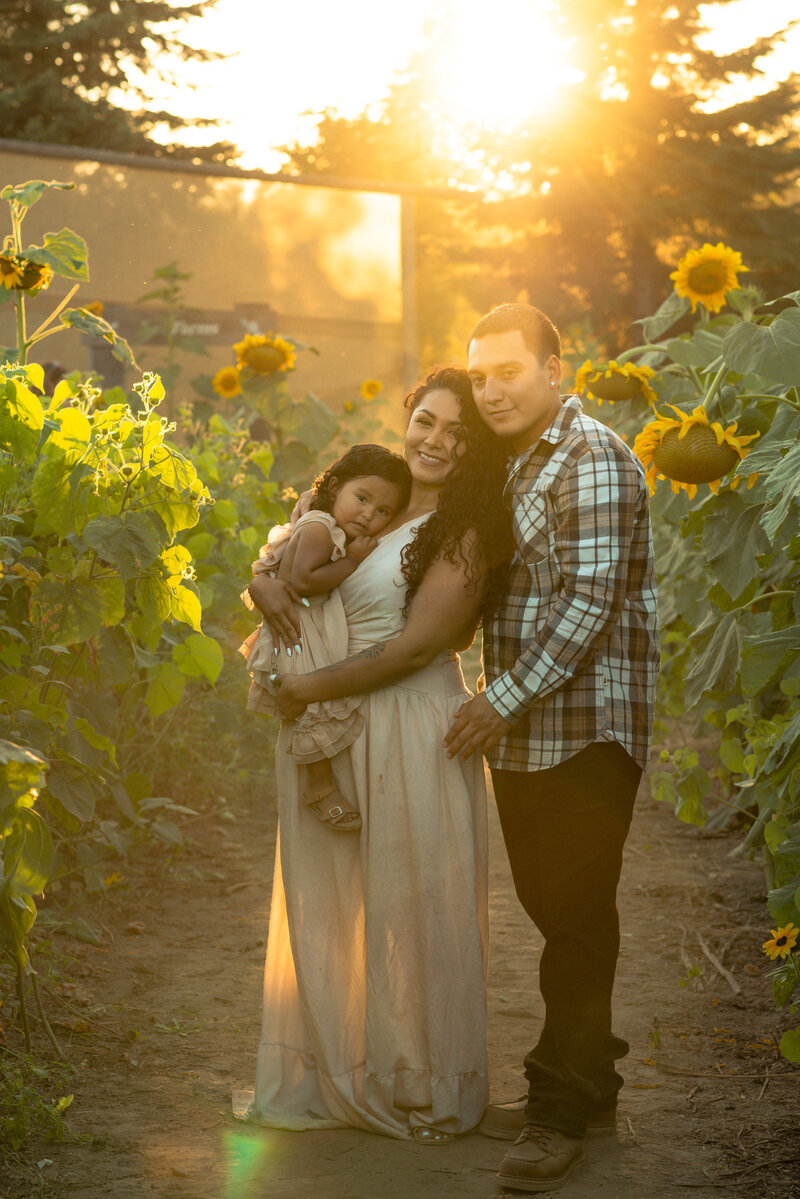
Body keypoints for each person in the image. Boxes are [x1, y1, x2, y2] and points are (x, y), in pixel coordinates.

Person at [237, 366, 513, 1142]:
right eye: (427, 420)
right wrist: (263, 584)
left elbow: (420, 643)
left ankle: (418, 1078)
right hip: (333, 718)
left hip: (413, 723)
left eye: (459, 433)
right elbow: (298, 575)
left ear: (476, 449)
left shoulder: (463, 530)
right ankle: (340, 1068)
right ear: (407, 415)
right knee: (333, 900)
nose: (437, 440)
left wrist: (305, 689)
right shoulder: (368, 507)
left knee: (413, 905)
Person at [443, 303, 660, 1192]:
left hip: (589, 724)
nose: (492, 388)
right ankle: (592, 1078)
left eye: (508, 370)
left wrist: (497, 698)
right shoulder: (510, 462)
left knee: (572, 916)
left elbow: (587, 601)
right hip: (533, 726)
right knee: (554, 902)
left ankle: (558, 1110)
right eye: (480, 374)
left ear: (554, 369)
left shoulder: (591, 457)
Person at [240, 443, 411, 833]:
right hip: (296, 632)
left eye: (382, 511)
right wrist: (352, 562)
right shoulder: (319, 526)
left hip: (300, 628)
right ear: (335, 487)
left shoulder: (327, 523)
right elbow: (302, 581)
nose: (368, 515)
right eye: (362, 499)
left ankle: (323, 782)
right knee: (310, 703)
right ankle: (319, 787)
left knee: (313, 702)